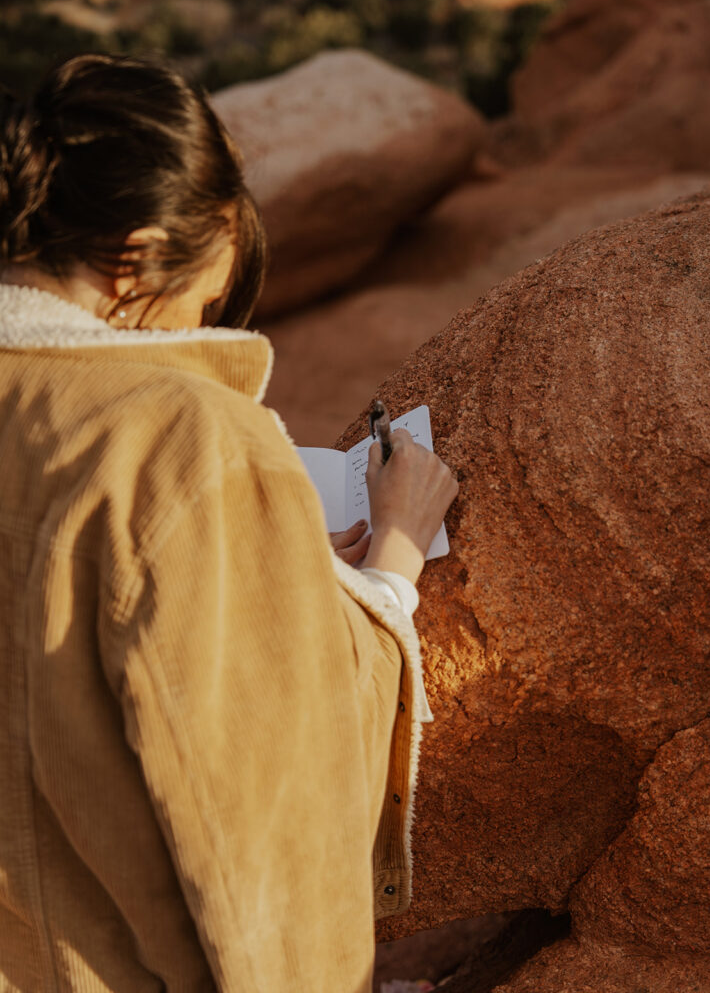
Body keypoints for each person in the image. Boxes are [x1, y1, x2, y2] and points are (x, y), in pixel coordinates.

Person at [0, 54, 458, 991]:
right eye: (217, 263)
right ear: (137, 255)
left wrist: (278, 570)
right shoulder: (180, 438)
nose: (217, 301)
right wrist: (395, 560)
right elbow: (264, 814)